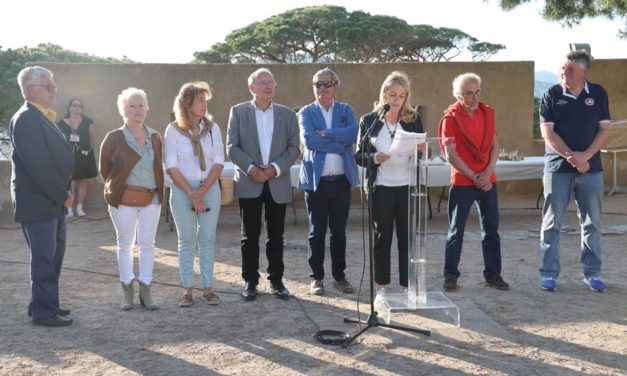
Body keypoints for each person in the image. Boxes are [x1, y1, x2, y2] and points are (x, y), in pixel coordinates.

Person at [538, 51, 611, 292]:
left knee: (592, 222)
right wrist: (571, 156)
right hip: (558, 168)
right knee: (552, 223)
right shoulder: (552, 94)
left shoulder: (598, 93)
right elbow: (548, 134)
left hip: (591, 169)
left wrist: (585, 157)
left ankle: (592, 274)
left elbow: (603, 131)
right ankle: (549, 274)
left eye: (569, 69)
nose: (563, 73)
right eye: (562, 68)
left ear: (584, 71)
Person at [226, 68, 300, 301]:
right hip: (250, 182)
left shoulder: (287, 115)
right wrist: (251, 169)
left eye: (271, 82)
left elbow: (293, 148)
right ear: (252, 88)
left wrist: (274, 169)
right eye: (262, 82)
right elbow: (232, 147)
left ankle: (277, 280)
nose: (268, 86)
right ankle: (250, 280)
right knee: (250, 235)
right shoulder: (238, 112)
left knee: (276, 235)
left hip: (277, 183)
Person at [10, 66, 75, 326]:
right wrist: (62, 194)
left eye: (53, 86)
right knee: (44, 257)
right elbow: (38, 165)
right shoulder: (26, 118)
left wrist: (62, 193)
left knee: (54, 254)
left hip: (51, 200)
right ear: (30, 90)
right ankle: (44, 312)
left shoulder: (40, 116)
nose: (54, 92)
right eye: (49, 87)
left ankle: (44, 303)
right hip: (40, 201)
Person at [437, 72, 509, 292]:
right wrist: (474, 176)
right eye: (469, 93)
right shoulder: (450, 119)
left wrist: (487, 173)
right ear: (459, 95)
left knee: (491, 229)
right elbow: (451, 154)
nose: (475, 97)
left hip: (487, 180)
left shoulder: (488, 113)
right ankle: (451, 275)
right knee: (455, 230)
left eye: (477, 92)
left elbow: (496, 145)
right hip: (462, 182)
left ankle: (493, 274)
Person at [355, 71, 424, 299]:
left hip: (407, 187)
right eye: (392, 94)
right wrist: (374, 158)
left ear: (406, 98)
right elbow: (359, 155)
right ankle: (381, 286)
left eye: (401, 95)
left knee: (406, 238)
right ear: (384, 94)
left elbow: (427, 151)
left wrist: (422, 149)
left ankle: (406, 286)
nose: (396, 100)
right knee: (382, 237)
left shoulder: (412, 120)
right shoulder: (369, 120)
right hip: (381, 187)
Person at [99, 87, 164, 310]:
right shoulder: (114, 137)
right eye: (131, 106)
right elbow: (104, 169)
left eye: (140, 105)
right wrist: (118, 188)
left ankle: (146, 290)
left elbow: (159, 166)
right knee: (125, 244)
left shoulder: (156, 136)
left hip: (151, 199)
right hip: (123, 198)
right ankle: (127, 290)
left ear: (147, 109)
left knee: (148, 244)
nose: (136, 110)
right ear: (123, 111)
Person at [298, 68, 359, 296]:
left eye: (327, 83)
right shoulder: (306, 112)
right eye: (318, 84)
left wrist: (326, 133)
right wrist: (338, 141)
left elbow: (354, 134)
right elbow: (310, 141)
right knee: (317, 231)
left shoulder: (345, 109)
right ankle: (317, 278)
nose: (322, 88)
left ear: (336, 86)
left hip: (341, 181)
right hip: (317, 182)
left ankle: (339, 277)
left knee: (339, 233)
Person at [164, 82, 224, 307]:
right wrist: (191, 193)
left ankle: (208, 289)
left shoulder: (213, 128)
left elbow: (219, 161)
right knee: (186, 240)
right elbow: (170, 165)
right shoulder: (173, 130)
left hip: (208, 188)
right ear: (187, 103)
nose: (204, 104)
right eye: (200, 100)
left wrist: (203, 190)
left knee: (207, 239)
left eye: (205, 100)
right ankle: (186, 290)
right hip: (182, 190)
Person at [57, 98, 98, 217]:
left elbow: (92, 139)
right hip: (67, 157)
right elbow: (58, 141)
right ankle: (69, 208)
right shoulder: (61, 123)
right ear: (69, 108)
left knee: (83, 182)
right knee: (70, 183)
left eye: (80, 106)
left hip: (84, 155)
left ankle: (80, 208)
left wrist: (87, 151)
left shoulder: (88, 121)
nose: (77, 108)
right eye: (74, 105)